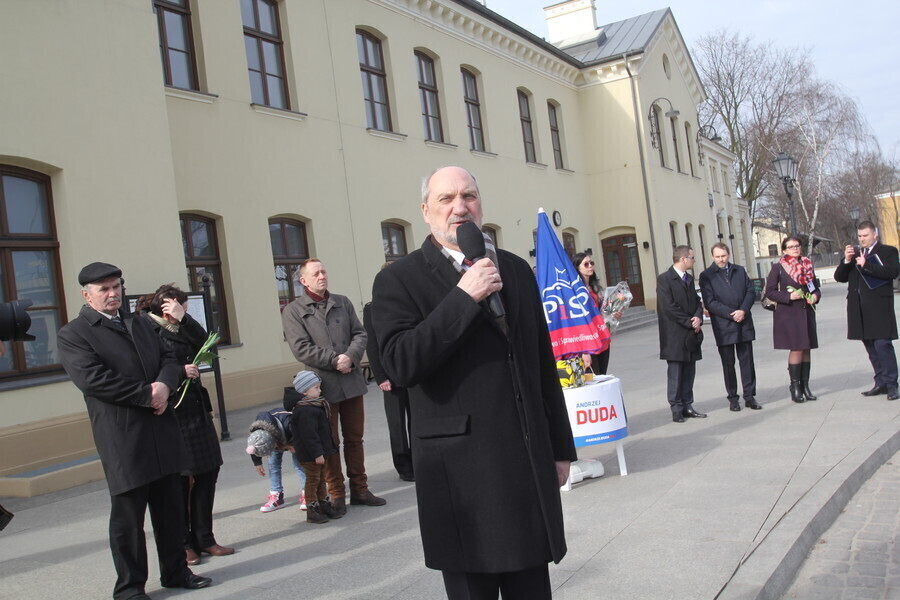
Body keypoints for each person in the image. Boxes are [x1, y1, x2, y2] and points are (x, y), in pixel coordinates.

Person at [371, 166, 576, 599]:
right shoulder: (398, 280)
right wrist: (464, 296)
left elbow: (542, 364)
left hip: (523, 466)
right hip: (460, 477)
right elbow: (401, 363)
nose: (459, 207)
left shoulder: (516, 269)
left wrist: (559, 448)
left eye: (469, 196)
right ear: (426, 211)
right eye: (446, 199)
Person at [57, 262, 211, 599]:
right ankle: (129, 587)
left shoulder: (138, 323)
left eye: (116, 286)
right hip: (124, 437)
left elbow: (170, 359)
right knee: (128, 518)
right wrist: (148, 395)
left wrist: (165, 386)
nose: (113, 294)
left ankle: (176, 571)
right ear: (87, 295)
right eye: (104, 289)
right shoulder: (75, 334)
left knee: (170, 508)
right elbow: (94, 380)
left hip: (162, 429)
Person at [136, 284, 232, 566]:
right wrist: (179, 371)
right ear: (165, 306)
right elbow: (148, 368)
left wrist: (186, 319)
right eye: (181, 307)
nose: (184, 311)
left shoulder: (182, 327)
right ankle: (183, 544)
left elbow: (207, 343)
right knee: (178, 481)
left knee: (208, 471)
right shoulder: (146, 329)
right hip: (172, 411)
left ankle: (205, 538)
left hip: (196, 410)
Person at [281, 258, 385, 515]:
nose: (322, 276)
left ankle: (360, 489)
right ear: (303, 280)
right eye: (316, 273)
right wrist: (333, 360)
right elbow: (300, 348)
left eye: (324, 271)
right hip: (321, 388)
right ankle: (336, 493)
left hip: (350, 380)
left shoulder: (342, 302)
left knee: (354, 439)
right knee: (329, 442)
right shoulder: (293, 311)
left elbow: (360, 334)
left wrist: (350, 356)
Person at [833, 221, 900, 400]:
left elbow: (892, 272)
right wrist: (847, 260)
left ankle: (892, 384)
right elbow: (839, 277)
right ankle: (881, 382)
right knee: (870, 347)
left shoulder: (888, 251)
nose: (862, 239)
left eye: (866, 236)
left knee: (882, 345)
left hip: (879, 307)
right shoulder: (855, 254)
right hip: (859, 308)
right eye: (860, 236)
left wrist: (867, 265)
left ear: (874, 235)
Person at [698, 244, 762, 411]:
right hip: (724, 325)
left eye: (724, 255)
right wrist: (731, 313)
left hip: (744, 322)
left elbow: (750, 291)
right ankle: (733, 398)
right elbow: (710, 302)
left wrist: (743, 310)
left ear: (729, 254)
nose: (721, 259)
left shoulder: (739, 271)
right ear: (712, 257)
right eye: (718, 256)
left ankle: (749, 396)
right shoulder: (706, 276)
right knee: (728, 363)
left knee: (747, 362)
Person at [764, 236, 821, 403]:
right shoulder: (778, 267)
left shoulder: (807, 265)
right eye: (790, 247)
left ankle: (805, 385)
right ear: (784, 250)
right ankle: (795, 386)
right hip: (789, 314)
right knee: (797, 348)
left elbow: (815, 288)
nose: (795, 249)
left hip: (806, 311)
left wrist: (815, 296)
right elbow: (770, 292)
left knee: (807, 348)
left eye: (797, 246)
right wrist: (789, 296)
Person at [363, 298, 414, 481]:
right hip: (390, 374)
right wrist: (380, 376)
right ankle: (404, 466)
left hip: (411, 370)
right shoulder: (372, 308)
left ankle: (417, 460)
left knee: (416, 420)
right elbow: (372, 344)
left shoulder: (408, 300)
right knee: (397, 422)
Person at [657, 246, 707, 423]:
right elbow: (668, 307)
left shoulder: (689, 278)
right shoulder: (665, 279)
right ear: (683, 259)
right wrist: (688, 321)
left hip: (690, 333)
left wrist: (698, 317)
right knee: (676, 372)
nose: (694, 261)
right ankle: (676, 408)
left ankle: (688, 404)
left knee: (689, 371)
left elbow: (696, 301)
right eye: (692, 258)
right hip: (675, 334)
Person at [286, 370, 342, 524]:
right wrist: (317, 453)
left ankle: (323, 504)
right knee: (313, 480)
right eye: (316, 388)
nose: (320, 390)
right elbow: (309, 435)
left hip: (319, 452)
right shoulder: (305, 410)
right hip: (311, 454)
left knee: (321, 479)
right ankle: (312, 508)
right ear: (304, 391)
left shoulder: (314, 405)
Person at [244, 405, 308, 513]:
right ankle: (276, 497)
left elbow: (302, 435)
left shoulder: (289, 423)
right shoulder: (258, 433)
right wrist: (257, 463)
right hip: (274, 437)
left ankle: (308, 493)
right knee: (273, 465)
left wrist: (295, 446)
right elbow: (253, 446)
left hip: (294, 436)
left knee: (299, 464)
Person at [572, 252, 614, 375]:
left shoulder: (594, 287)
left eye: (591, 263)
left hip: (601, 337)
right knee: (592, 376)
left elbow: (602, 311)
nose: (590, 266)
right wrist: (584, 350)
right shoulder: (575, 291)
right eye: (586, 264)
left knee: (602, 375)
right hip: (588, 340)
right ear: (577, 268)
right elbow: (578, 320)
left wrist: (613, 314)